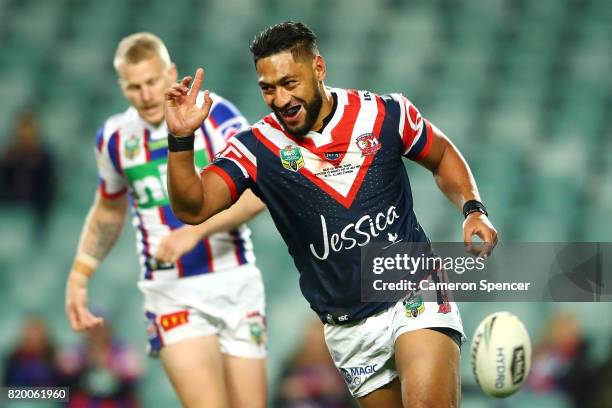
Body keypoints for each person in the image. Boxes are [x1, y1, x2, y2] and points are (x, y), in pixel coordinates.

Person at [165, 21, 498, 407]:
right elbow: (194, 207)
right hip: (348, 327)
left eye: (290, 83)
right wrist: (180, 139)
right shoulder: (256, 148)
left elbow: (440, 154)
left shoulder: (384, 114)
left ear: (318, 69)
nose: (280, 98)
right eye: (268, 89)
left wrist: (473, 209)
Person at [64, 32, 268, 408]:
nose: (145, 95)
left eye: (152, 82)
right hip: (169, 290)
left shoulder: (214, 114)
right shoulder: (113, 137)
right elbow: (109, 209)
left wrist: (195, 232)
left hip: (234, 278)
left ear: (171, 72)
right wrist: (80, 273)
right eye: (133, 86)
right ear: (122, 86)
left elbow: (258, 190)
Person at [0, 109, 57, 240]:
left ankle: (38, 237)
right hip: (10, 198)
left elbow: (49, 185)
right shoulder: (9, 155)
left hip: (36, 202)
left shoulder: (45, 157)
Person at [57, 321, 142, 408]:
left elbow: (134, 372)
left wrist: (110, 363)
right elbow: (65, 368)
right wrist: (87, 360)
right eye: (93, 329)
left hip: (115, 401)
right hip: (84, 401)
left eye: (101, 329)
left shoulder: (121, 350)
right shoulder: (77, 350)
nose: (98, 334)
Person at [3, 316, 61, 387]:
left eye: (37, 337)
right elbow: (6, 389)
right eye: (30, 337)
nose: (34, 339)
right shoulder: (13, 359)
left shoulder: (55, 359)